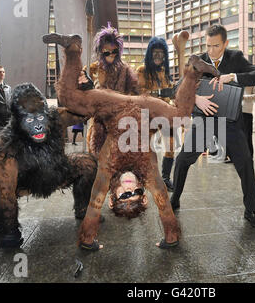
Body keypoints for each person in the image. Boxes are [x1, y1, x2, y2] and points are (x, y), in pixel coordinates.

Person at [43, 32, 219, 250]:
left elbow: (95, 199)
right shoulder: (148, 169)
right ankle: (193, 71)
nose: (129, 188)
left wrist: (88, 240)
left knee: (70, 98)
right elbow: (162, 198)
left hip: (113, 104)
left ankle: (72, 48)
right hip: (144, 107)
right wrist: (171, 235)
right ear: (143, 196)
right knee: (180, 117)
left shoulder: (107, 169)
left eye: (124, 195)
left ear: (112, 198)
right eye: (134, 194)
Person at [169, 24, 255, 231]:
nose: (211, 51)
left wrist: (233, 77)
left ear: (225, 43)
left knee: (245, 163)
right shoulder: (197, 60)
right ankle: (175, 199)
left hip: (230, 121)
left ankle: (251, 210)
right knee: (182, 159)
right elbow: (178, 88)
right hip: (204, 120)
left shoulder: (236, 58)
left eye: (216, 46)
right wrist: (196, 98)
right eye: (208, 45)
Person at [79, 23, 138, 155]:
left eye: (114, 51)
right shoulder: (92, 69)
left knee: (120, 159)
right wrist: (85, 85)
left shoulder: (125, 70)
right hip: (99, 124)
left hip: (121, 123)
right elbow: (84, 98)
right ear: (101, 51)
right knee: (98, 156)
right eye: (107, 51)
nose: (111, 54)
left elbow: (135, 94)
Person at [136, 37, 177, 192]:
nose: (158, 56)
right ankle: (141, 178)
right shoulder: (142, 70)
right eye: (155, 53)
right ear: (150, 54)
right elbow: (140, 93)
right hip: (148, 114)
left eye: (161, 53)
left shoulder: (165, 71)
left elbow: (171, 91)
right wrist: (159, 94)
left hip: (166, 114)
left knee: (171, 146)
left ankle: (165, 178)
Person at [241, 85, 255, 158]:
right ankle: (237, 157)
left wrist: (244, 97)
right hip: (236, 110)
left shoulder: (253, 79)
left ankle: (249, 156)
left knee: (247, 135)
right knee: (236, 136)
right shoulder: (235, 77)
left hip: (246, 111)